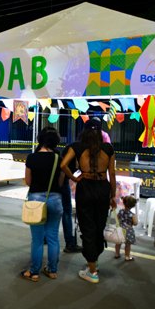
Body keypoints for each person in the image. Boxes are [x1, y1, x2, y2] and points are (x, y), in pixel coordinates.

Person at [60, 118, 117, 284]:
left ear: (84, 131)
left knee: (87, 226)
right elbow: (111, 175)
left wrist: (73, 178)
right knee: (99, 226)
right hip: (102, 188)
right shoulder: (108, 148)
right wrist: (112, 196)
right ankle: (94, 261)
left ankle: (92, 271)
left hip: (85, 188)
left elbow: (63, 164)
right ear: (100, 132)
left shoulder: (76, 147)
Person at [20, 127, 63, 282]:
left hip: (35, 201)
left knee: (37, 239)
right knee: (53, 237)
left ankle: (34, 272)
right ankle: (52, 270)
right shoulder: (58, 157)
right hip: (55, 199)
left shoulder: (32, 157)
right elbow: (60, 181)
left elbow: (28, 181)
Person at [60, 143, 82, 253]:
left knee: (59, 212)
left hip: (59, 184)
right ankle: (70, 243)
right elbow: (63, 167)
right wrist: (73, 178)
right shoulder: (75, 150)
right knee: (66, 212)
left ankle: (45, 237)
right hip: (61, 184)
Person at [115, 195, 138, 261]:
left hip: (120, 229)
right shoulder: (132, 215)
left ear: (124, 203)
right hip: (128, 231)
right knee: (127, 244)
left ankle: (117, 254)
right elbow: (135, 223)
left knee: (118, 243)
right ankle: (127, 256)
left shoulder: (120, 211)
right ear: (133, 205)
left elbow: (117, 218)